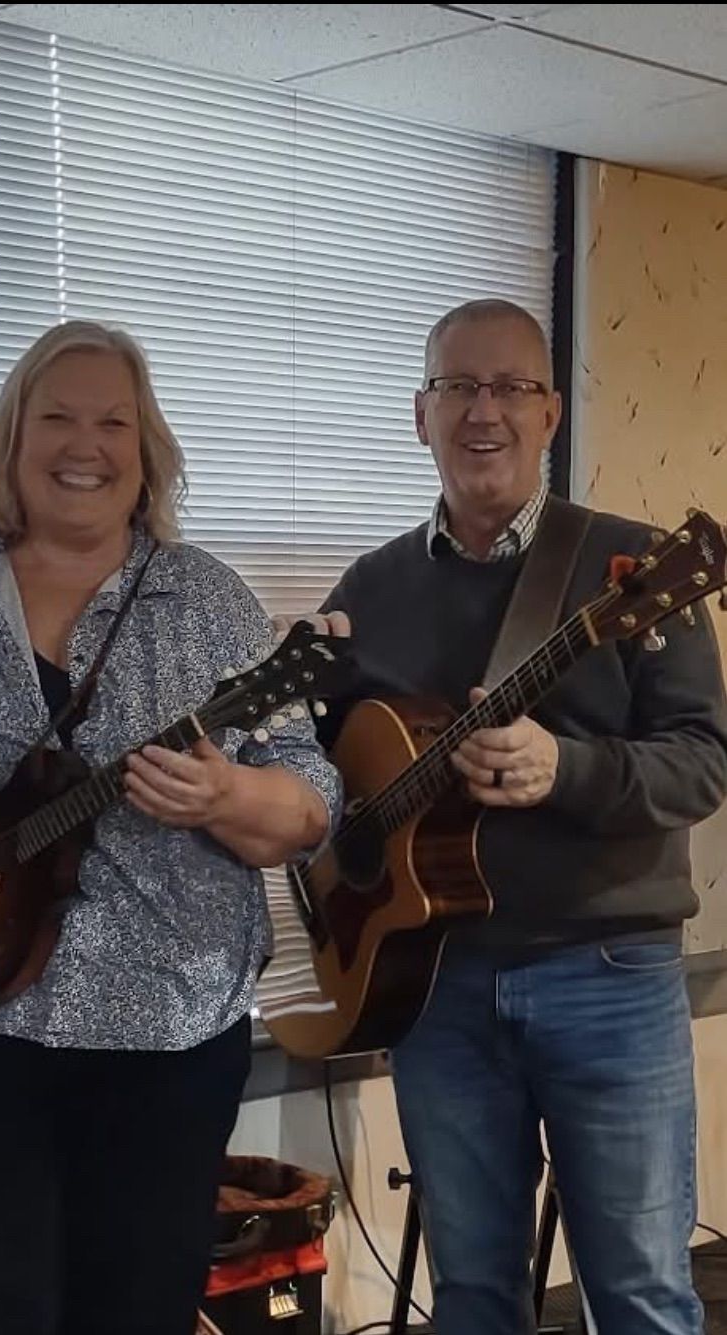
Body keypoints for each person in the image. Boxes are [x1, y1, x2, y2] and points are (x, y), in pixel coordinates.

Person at [0, 319, 341, 1335]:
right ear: (13, 441)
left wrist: (228, 800)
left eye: (114, 421)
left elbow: (308, 801)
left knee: (136, 1312)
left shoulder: (209, 601)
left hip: (165, 1042)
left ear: (146, 451)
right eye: (57, 417)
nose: (86, 444)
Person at [282, 298, 727, 1335]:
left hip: (607, 978)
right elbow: (329, 770)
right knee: (473, 1295)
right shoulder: (372, 587)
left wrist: (561, 769)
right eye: (457, 388)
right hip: (435, 987)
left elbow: (702, 767)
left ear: (551, 413)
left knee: (640, 1296)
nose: (484, 412)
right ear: (420, 414)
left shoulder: (637, 567)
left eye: (511, 388)